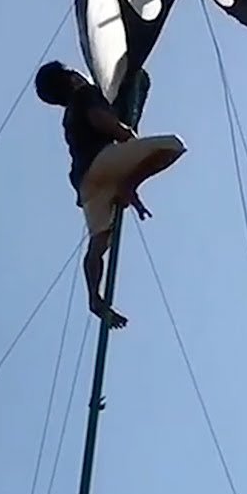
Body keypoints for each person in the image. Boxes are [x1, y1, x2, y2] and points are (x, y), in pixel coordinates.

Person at [34, 61, 186, 329]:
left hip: (86, 184)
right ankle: (130, 184)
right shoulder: (84, 93)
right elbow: (99, 119)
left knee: (98, 245)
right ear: (71, 78)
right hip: (102, 162)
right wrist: (124, 133)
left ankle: (94, 297)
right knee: (172, 146)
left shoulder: (68, 117)